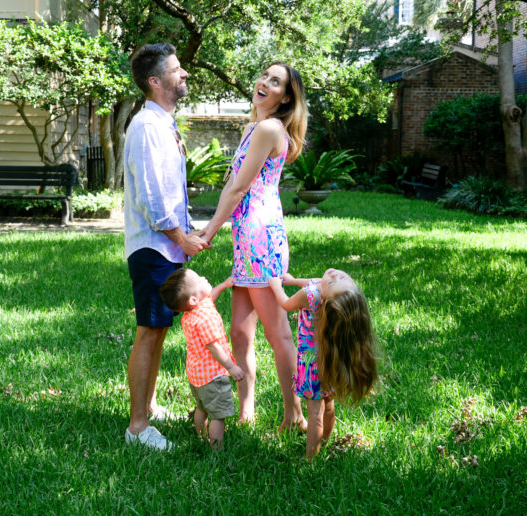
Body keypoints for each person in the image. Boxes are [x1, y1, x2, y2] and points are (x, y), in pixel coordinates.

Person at [198, 62, 308, 431]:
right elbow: (233, 185)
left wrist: (209, 231)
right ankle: (246, 410)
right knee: (241, 333)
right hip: (246, 237)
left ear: (285, 97)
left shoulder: (268, 128)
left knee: (278, 334)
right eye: (264, 75)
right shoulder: (253, 127)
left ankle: (294, 414)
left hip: (260, 239)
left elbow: (238, 188)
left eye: (275, 82)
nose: (264, 83)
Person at [123, 43, 210, 451]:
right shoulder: (146, 126)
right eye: (177, 70)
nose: (185, 75)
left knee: (157, 332)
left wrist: (187, 233)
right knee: (149, 331)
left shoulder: (163, 123)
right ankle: (137, 427)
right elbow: (150, 195)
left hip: (167, 248)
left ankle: (150, 406)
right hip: (153, 248)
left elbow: (170, 193)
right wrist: (181, 237)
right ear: (155, 81)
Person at [269, 269, 379, 461]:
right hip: (329, 362)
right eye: (341, 276)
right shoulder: (337, 298)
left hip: (310, 366)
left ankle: (311, 459)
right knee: (328, 407)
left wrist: (276, 285)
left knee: (315, 413)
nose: (334, 275)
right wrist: (294, 280)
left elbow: (286, 304)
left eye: (335, 280)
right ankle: (325, 443)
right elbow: (318, 280)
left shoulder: (310, 296)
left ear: (326, 299)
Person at [159, 268, 246, 449]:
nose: (204, 277)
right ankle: (216, 450)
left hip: (197, 375)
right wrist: (231, 367)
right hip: (212, 377)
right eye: (199, 279)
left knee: (201, 408)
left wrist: (222, 286)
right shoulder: (205, 319)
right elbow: (215, 348)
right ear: (193, 299)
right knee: (217, 416)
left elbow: (209, 299)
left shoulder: (192, 313)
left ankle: (200, 436)